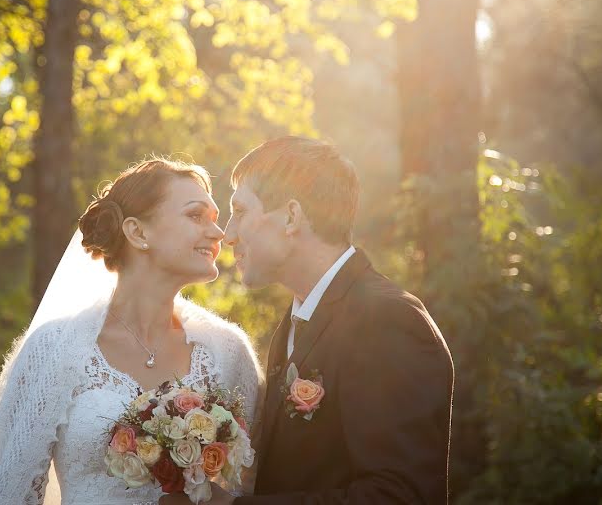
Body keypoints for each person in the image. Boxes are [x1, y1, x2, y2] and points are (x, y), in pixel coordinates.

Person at [162, 136, 454, 505]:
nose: (229, 234)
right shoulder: (297, 321)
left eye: (241, 211)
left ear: (291, 216)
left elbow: (401, 496)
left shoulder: (388, 320)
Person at [0, 157, 262, 505]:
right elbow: (6, 493)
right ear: (137, 232)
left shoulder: (228, 350)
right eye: (195, 216)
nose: (219, 233)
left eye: (215, 219)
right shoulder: (55, 348)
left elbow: (248, 489)